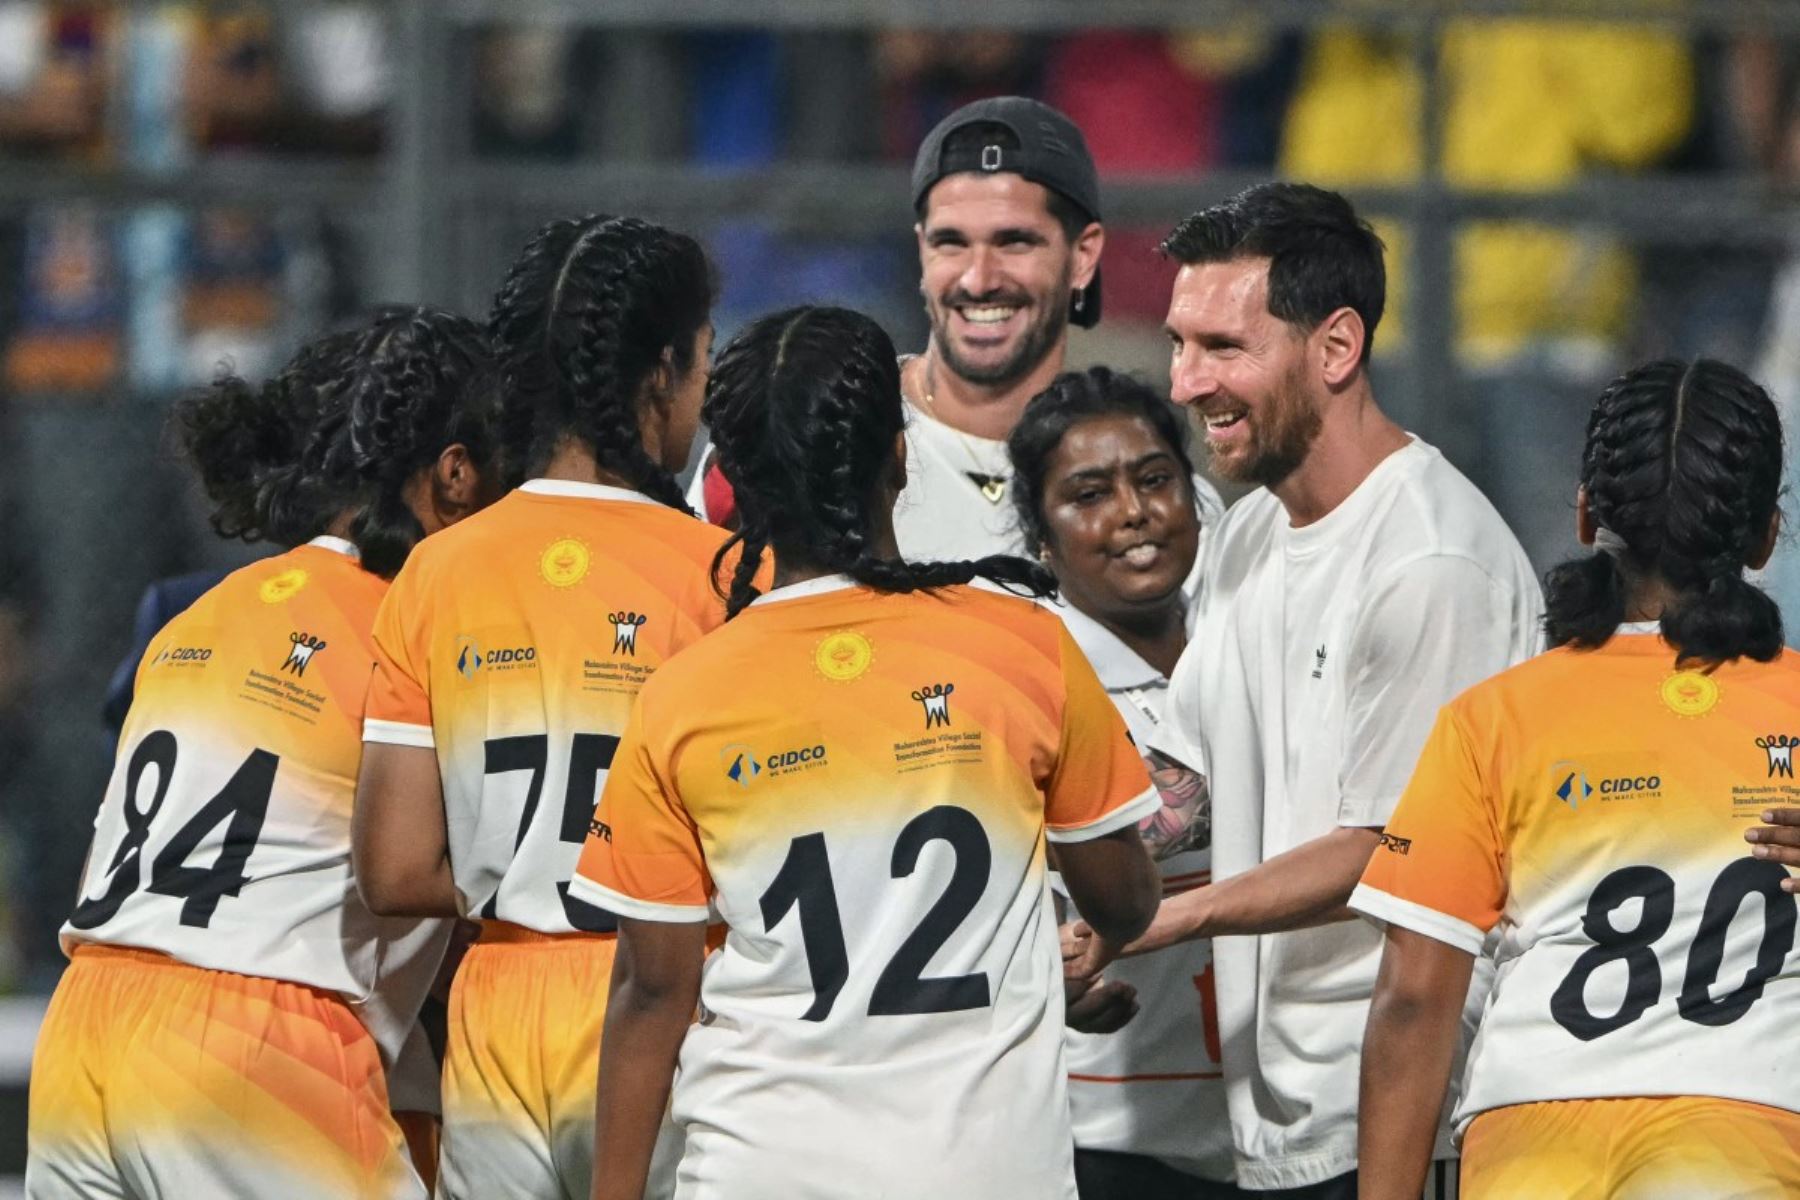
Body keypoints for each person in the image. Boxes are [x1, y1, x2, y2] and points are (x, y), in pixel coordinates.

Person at [572, 305, 1162, 1200]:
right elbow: (1122, 897)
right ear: (898, 453)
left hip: (759, 1168)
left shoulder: (683, 695)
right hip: (983, 1175)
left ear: (731, 479)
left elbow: (652, 993)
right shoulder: (1023, 642)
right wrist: (1066, 952)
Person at [1063, 183, 1542, 1196]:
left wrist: (1161, 921)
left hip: (1410, 1125)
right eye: (1183, 345)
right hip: (1280, 1114)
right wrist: (1071, 864)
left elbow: (1387, 848)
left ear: (1335, 349)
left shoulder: (1431, 563)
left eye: (1223, 348)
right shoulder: (1251, 532)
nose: (1186, 384)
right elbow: (1187, 778)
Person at [27, 306, 503, 1200]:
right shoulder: (421, 632)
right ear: (455, 477)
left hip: (81, 1037)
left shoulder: (195, 614)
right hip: (254, 1045)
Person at [1353, 358, 1800, 1199]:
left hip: (1529, 1137)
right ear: (1765, 535)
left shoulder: (1492, 718)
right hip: (1747, 1126)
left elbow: (1414, 997)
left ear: (1589, 513)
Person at [352, 214, 730, 1200]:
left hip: (499, 1014)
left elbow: (393, 870)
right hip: (675, 997)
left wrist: (516, 864)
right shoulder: (729, 576)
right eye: (702, 361)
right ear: (661, 374)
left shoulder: (437, 571)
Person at [688, 94, 1223, 553]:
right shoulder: (796, 435)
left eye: (1015, 241)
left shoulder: (1157, 502)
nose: (979, 277)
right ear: (921, 248)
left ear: (1083, 256)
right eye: (951, 243)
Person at [1008, 366, 1240, 1199]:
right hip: (1108, 1133)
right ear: (1041, 536)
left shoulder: (1254, 629)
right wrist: (1043, 980)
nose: (1134, 512)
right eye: (1088, 494)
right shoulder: (1023, 681)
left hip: (1280, 1116)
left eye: (1154, 480)